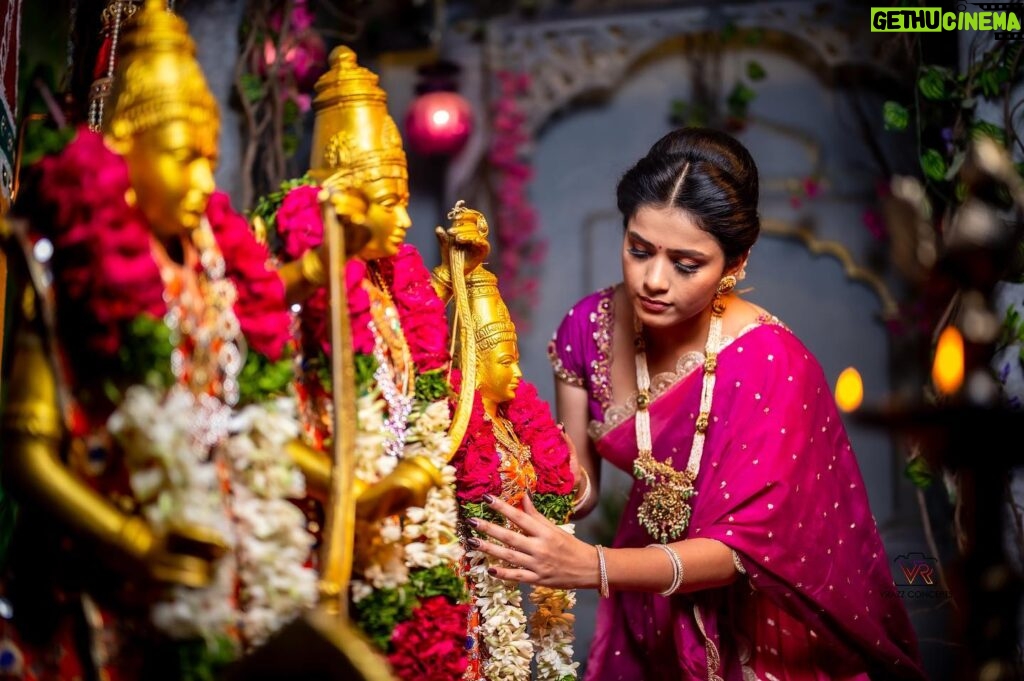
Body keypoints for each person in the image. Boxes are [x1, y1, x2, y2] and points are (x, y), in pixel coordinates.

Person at [468, 127, 926, 680]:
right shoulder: (587, 327)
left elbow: (744, 551)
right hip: (643, 602)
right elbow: (579, 489)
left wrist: (593, 566)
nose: (653, 280)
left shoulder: (770, 361)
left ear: (735, 263)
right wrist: (518, 463)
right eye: (638, 249)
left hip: (757, 621)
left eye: (686, 263)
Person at [0, 2, 320, 677]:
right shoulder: (71, 259)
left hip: (212, 569)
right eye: (184, 157)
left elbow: (235, 424)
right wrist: (135, 541)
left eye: (210, 157)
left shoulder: (214, 268)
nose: (206, 182)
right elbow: (24, 449)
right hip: (101, 588)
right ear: (122, 147)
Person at [436, 202, 577, 681]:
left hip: (510, 589)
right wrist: (449, 272)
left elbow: (546, 501)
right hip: (462, 590)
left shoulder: (518, 425)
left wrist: (571, 484)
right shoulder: (447, 420)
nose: (517, 371)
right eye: (504, 359)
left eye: (516, 357)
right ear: (474, 359)